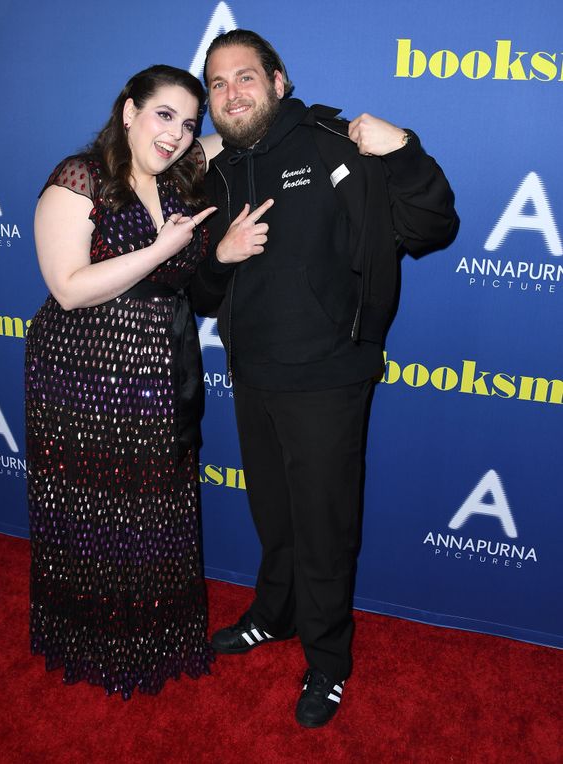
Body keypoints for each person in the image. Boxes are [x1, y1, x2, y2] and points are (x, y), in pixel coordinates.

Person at [191, 30, 458, 728]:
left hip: (328, 380)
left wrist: (403, 150)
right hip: (251, 374)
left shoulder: (334, 142)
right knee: (275, 520)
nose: (231, 94)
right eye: (217, 85)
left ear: (279, 81)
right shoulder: (217, 173)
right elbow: (198, 289)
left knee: (323, 531)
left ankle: (330, 662)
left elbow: (431, 224)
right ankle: (274, 615)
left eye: (245, 78)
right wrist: (218, 256)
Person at [25, 65, 221, 699]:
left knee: (154, 507)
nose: (178, 134)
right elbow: (68, 288)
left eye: (190, 124)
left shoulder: (178, 183)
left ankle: (154, 634)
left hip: (157, 367)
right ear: (130, 111)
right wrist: (163, 250)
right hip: (81, 370)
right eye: (165, 115)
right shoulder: (80, 178)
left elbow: (244, 135)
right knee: (92, 504)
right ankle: (89, 636)